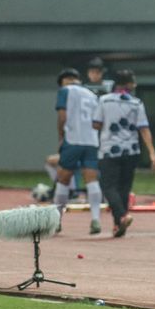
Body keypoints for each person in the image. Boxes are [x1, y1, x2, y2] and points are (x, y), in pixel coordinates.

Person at [93, 69, 155, 237]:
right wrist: (152, 153)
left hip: (109, 150)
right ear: (127, 84)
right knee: (124, 187)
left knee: (108, 186)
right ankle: (118, 224)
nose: (135, 84)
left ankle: (122, 216)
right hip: (132, 150)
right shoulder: (137, 103)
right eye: (133, 81)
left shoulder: (104, 100)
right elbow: (144, 128)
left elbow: (97, 124)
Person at [52, 68, 103, 235]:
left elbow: (62, 116)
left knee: (63, 178)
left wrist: (61, 137)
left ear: (65, 80)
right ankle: (95, 219)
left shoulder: (65, 91)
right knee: (91, 179)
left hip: (73, 139)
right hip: (91, 141)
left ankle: (56, 221)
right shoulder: (92, 94)